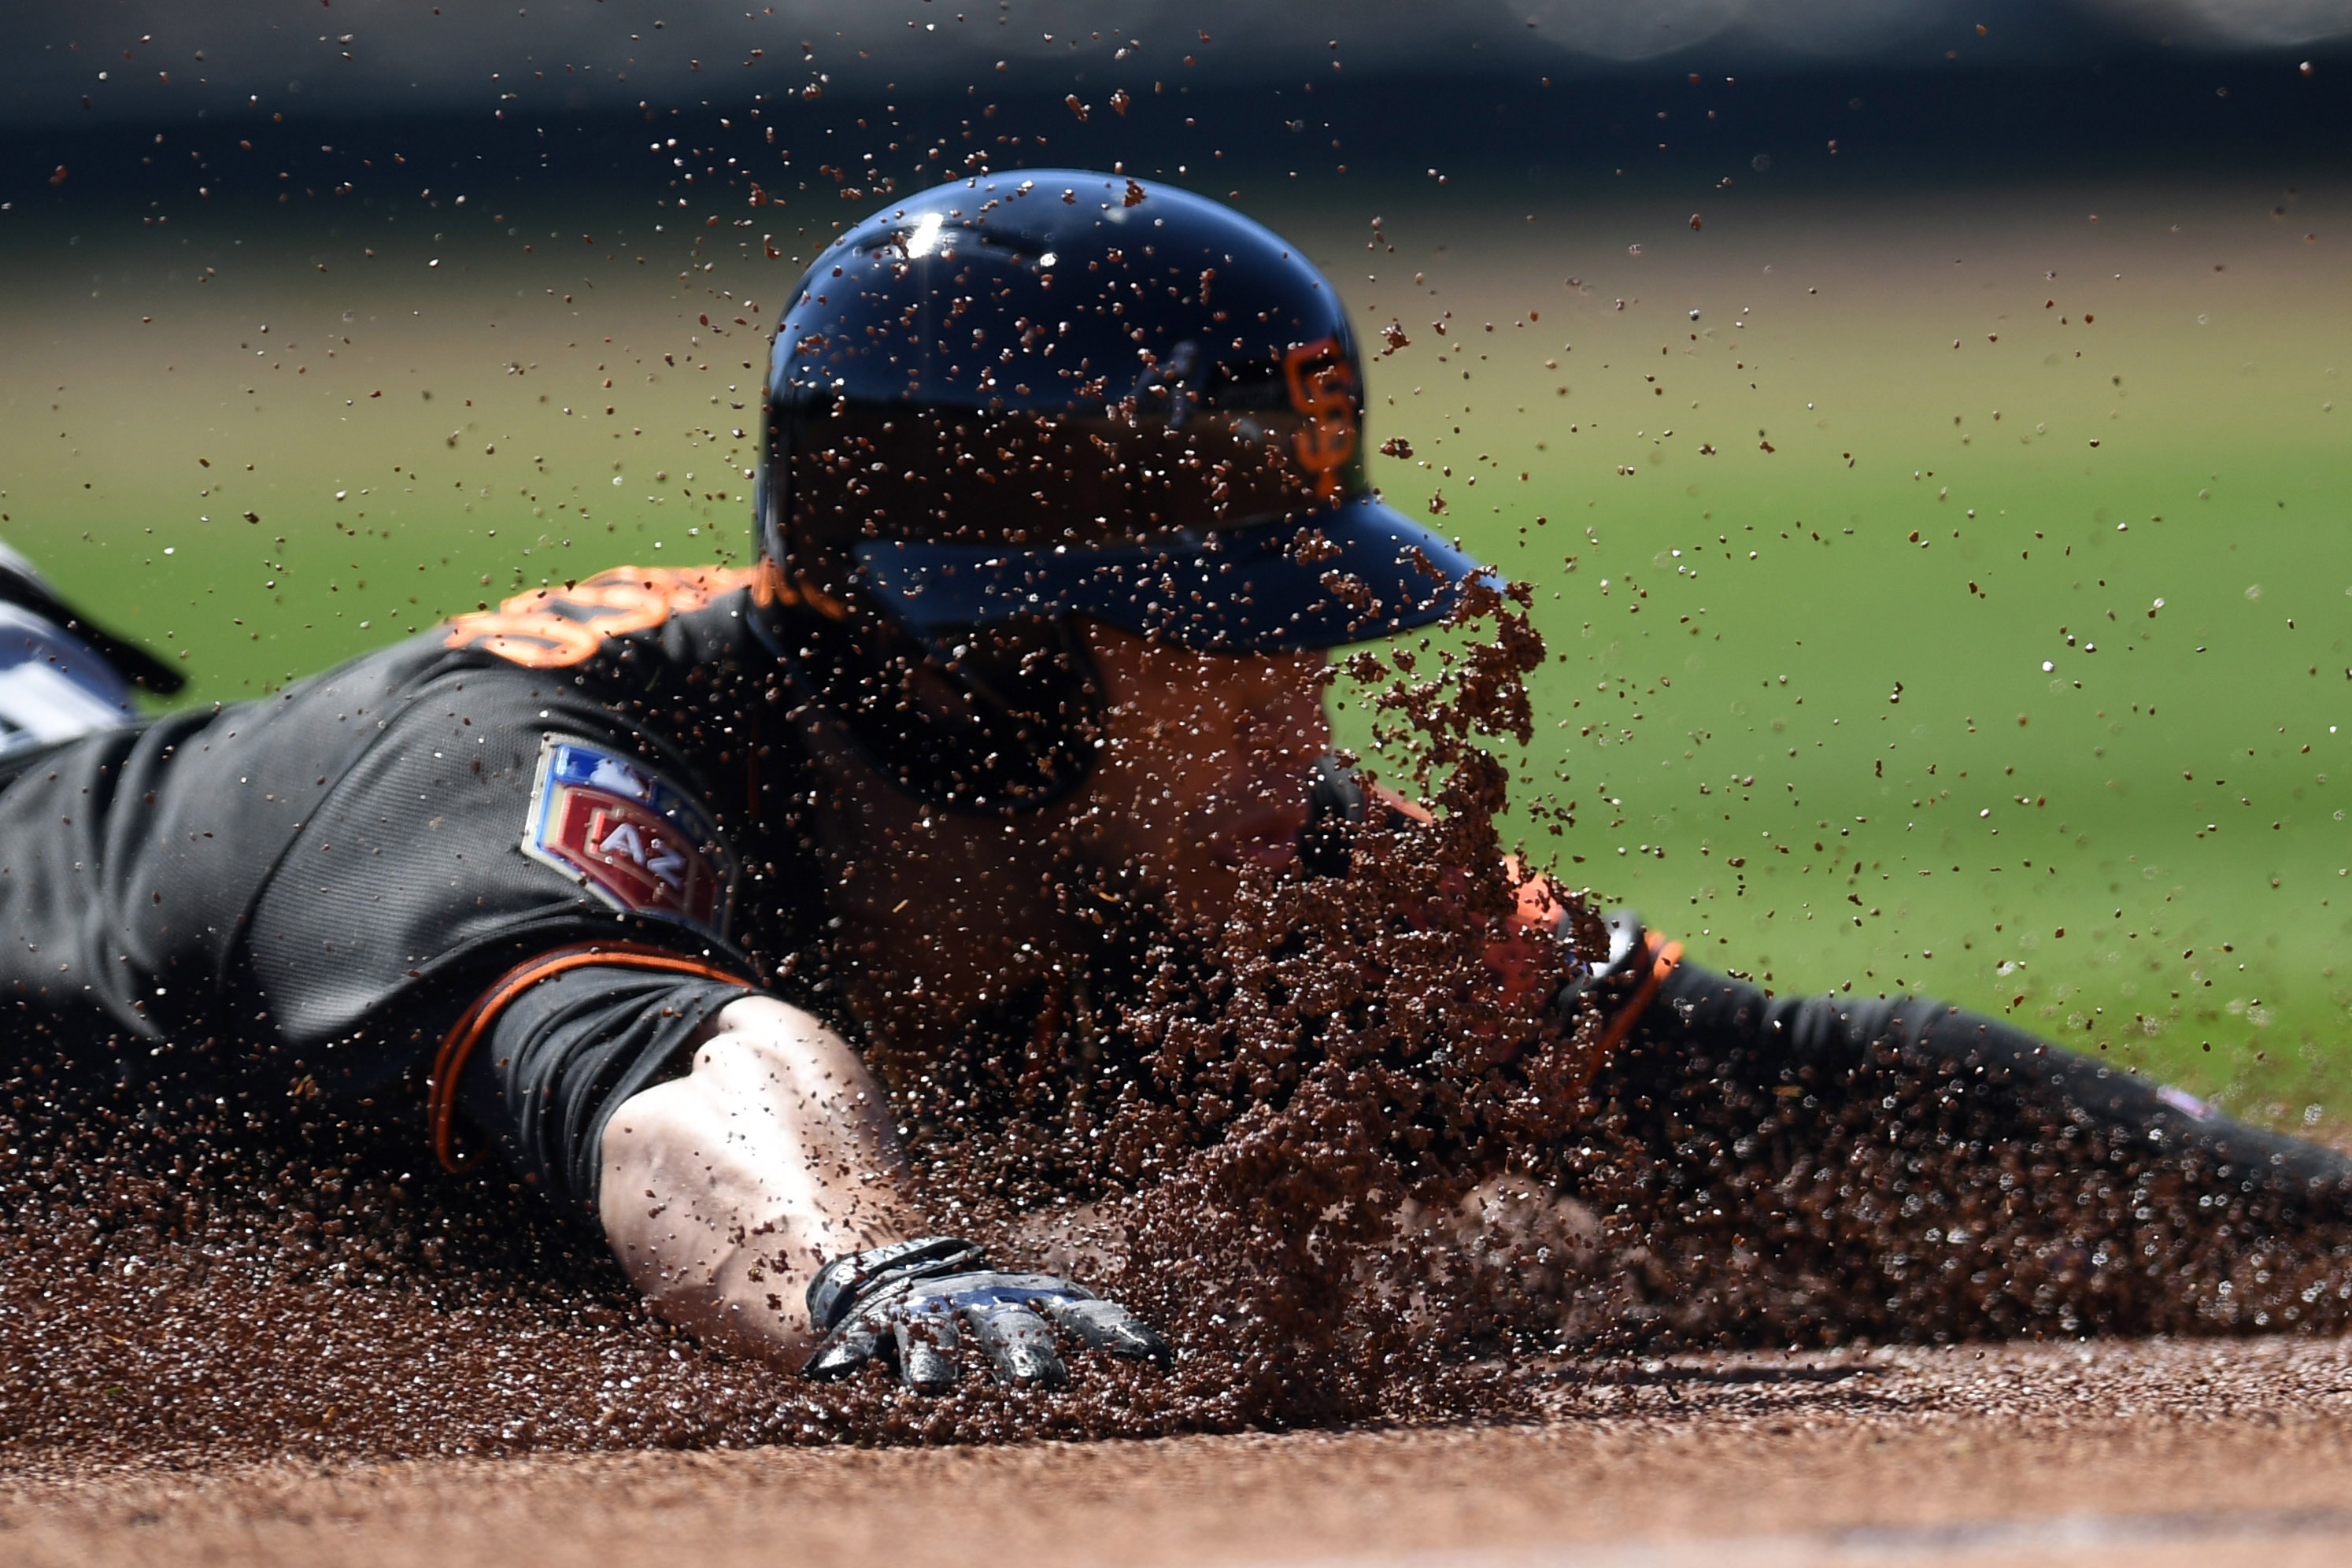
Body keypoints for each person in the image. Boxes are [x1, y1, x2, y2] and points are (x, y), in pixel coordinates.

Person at [0, 172, 2341, 1395]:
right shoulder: (534, 777)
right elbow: (672, 1063)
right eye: (1222, 644)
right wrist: (871, 1275)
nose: (1300, 717)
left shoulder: (1202, 852)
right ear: (994, 666)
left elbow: (1767, 1095)